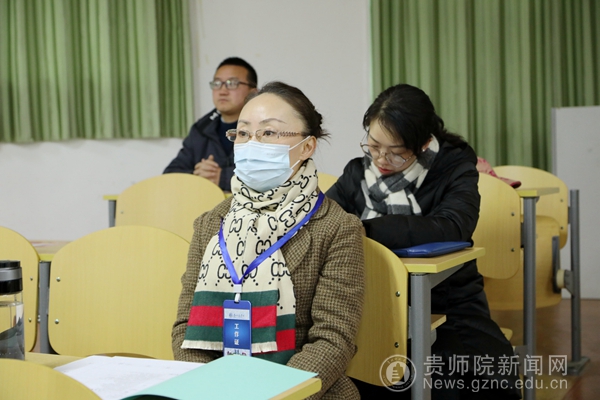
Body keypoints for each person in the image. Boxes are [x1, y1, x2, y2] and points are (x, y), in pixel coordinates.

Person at [326, 83, 521, 399]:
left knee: (469, 382)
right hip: (371, 303)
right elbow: (325, 220)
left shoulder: (454, 167)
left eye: (396, 152)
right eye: (373, 145)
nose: (381, 158)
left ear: (423, 143)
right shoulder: (356, 173)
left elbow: (452, 226)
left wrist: (363, 230)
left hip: (446, 301)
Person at [172, 81, 365, 399]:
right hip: (217, 391)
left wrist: (275, 395)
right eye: (243, 133)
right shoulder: (210, 224)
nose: (251, 144)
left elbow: (333, 340)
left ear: (307, 146)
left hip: (302, 392)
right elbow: (185, 328)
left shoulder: (337, 228)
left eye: (269, 132)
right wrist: (209, 392)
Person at [163, 57, 258, 191]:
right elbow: (170, 174)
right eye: (217, 83)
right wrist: (198, 176)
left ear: (253, 93)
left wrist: (222, 177)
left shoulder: (266, 129)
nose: (222, 91)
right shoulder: (201, 129)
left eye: (232, 83)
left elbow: (273, 174)